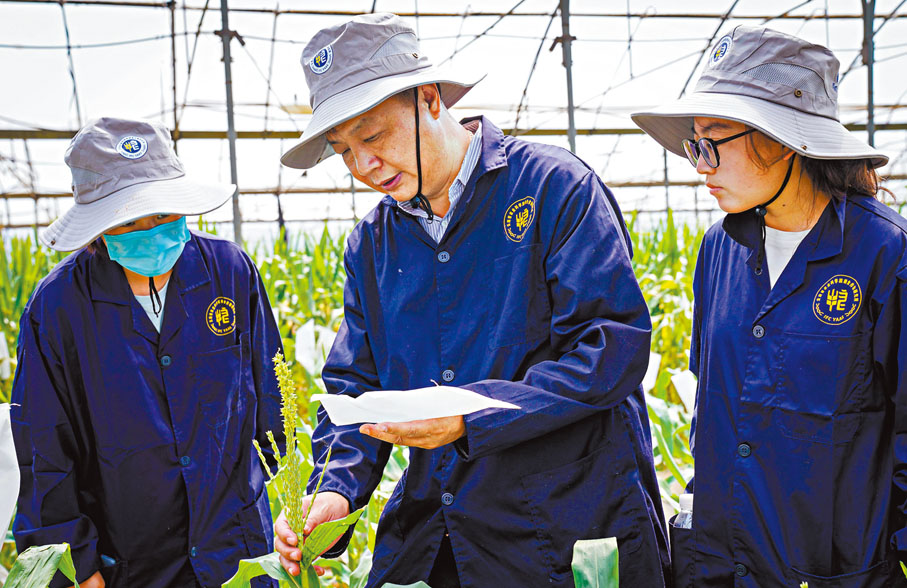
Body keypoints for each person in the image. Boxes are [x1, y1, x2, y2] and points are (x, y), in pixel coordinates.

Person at [273, 12, 670, 588]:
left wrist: (470, 414)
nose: (362, 166)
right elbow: (354, 387)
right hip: (441, 537)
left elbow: (610, 349)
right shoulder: (372, 245)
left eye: (373, 136)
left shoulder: (553, 188)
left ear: (429, 98)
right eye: (343, 150)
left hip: (563, 533)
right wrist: (335, 491)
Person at [632, 26, 906, 588]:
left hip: (830, 570)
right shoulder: (719, 252)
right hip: (719, 563)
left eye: (712, 144)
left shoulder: (885, 255)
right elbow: (712, 407)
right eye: (692, 145)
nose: (699, 165)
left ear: (781, 140)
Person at [10, 117, 284, 588]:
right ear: (98, 229)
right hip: (131, 558)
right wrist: (75, 560)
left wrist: (271, 502)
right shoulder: (57, 307)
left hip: (237, 553)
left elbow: (269, 398)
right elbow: (44, 446)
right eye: (128, 221)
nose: (149, 230)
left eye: (161, 214)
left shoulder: (229, 272)